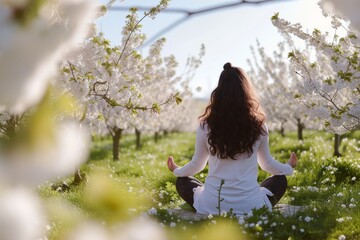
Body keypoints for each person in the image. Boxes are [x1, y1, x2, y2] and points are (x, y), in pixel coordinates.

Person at [167, 62, 298, 216]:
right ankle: (251, 200)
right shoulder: (259, 125)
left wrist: (177, 170)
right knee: (280, 179)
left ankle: (212, 201)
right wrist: (288, 167)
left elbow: (197, 165)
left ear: (219, 91)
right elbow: (267, 164)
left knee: (182, 181)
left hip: (213, 205)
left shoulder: (205, 125)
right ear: (246, 91)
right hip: (251, 206)